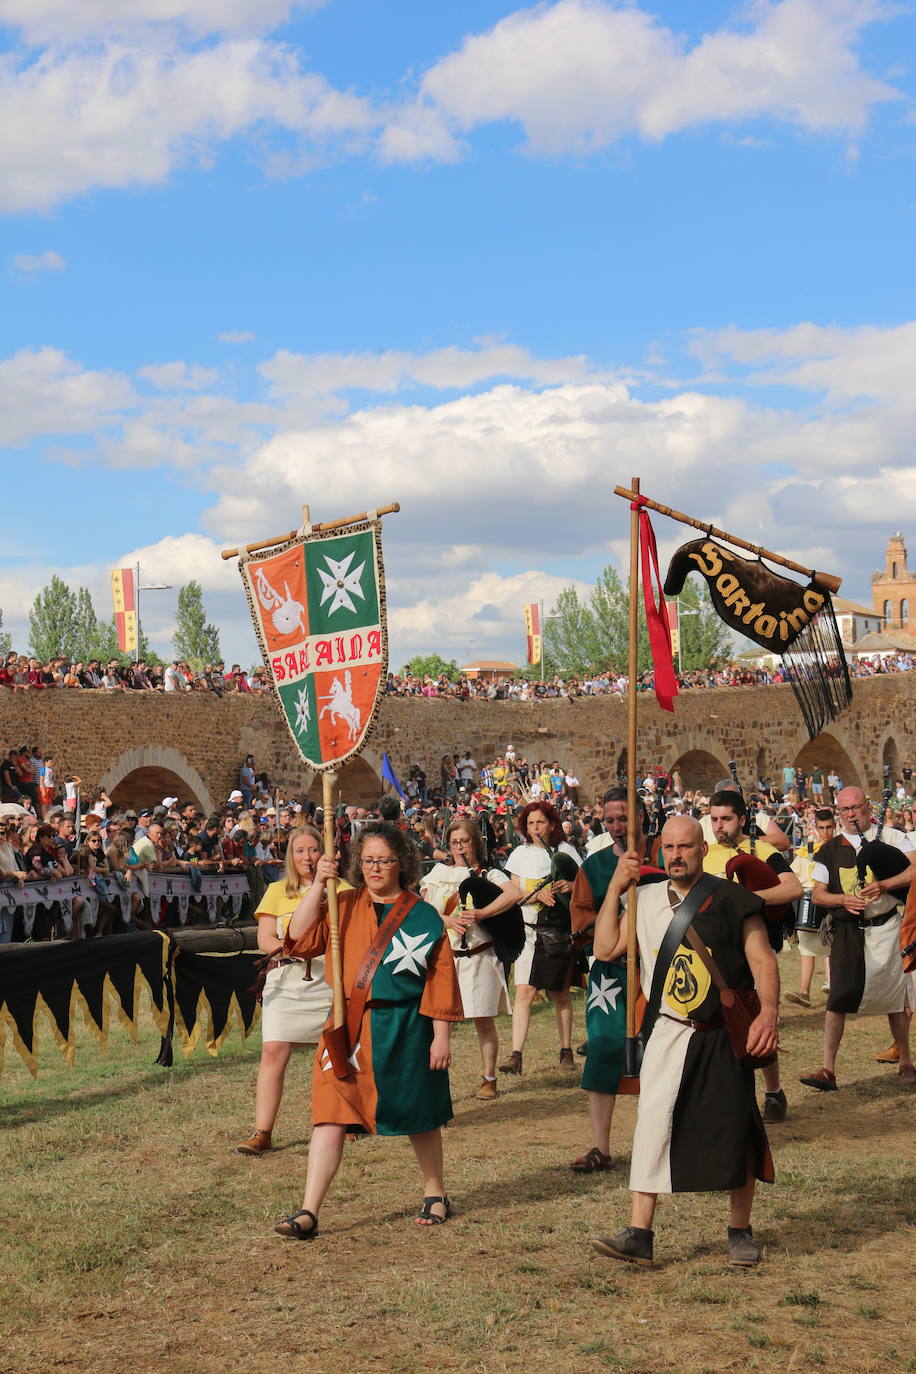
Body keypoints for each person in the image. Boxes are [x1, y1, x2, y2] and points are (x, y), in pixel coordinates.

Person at [592, 816, 778, 1267]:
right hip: (669, 1030)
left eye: (685, 847)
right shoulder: (643, 899)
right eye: (668, 848)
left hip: (720, 1033)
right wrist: (616, 889)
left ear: (701, 848)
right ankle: (639, 1234)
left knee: (735, 1128)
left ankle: (740, 1231)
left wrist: (769, 1013)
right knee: (652, 1124)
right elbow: (604, 949)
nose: (675, 855)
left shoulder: (734, 900)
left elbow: (762, 960)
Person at [274, 821, 462, 1239]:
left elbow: (440, 977)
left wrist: (441, 1036)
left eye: (384, 860)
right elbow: (297, 937)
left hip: (405, 1026)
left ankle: (436, 1193)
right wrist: (319, 885)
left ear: (402, 863)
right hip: (347, 1026)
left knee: (420, 1114)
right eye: (368, 860)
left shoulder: (423, 915)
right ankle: (309, 1210)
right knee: (329, 1116)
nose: (375, 868)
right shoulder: (342, 903)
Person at [568, 788, 664, 1172]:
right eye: (609, 820)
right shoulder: (592, 867)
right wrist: (617, 907)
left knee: (662, 1052)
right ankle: (601, 1146)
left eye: (623, 818)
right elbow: (581, 923)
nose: (616, 826)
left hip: (660, 965)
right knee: (605, 1049)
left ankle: (659, 1141)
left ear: (641, 816)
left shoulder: (662, 851)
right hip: (612, 972)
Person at [237, 825, 348, 1156]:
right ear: (290, 855)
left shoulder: (342, 890)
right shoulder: (276, 890)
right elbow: (265, 939)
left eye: (313, 850)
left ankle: (345, 1120)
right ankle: (262, 1131)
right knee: (273, 1052)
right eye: (300, 851)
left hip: (328, 982)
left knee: (335, 1054)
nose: (307, 857)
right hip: (285, 982)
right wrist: (294, 949)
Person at [800, 787, 916, 1089]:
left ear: (868, 807)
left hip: (887, 926)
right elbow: (819, 895)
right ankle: (828, 1069)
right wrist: (843, 901)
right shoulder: (829, 849)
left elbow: (915, 870)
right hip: (848, 930)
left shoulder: (892, 837)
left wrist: (885, 884)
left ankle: (905, 1060)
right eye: (845, 810)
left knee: (894, 997)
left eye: (856, 807)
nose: (851, 814)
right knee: (838, 998)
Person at [702, 789, 801, 1123]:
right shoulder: (703, 853)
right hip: (713, 951)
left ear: (742, 820)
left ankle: (773, 1091)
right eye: (714, 819)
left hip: (754, 945)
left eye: (726, 819)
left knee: (758, 1015)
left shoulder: (763, 849)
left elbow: (792, 888)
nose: (719, 826)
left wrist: (747, 898)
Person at [421, 818, 525, 1100]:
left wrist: (482, 913)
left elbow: (514, 894)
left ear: (475, 842)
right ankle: (433, 1085)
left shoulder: (488, 873)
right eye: (454, 842)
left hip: (479, 956)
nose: (458, 847)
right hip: (445, 957)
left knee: (483, 1020)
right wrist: (446, 922)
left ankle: (488, 1078)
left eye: (464, 841)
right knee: (440, 1024)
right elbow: (426, 911)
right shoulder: (438, 874)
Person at [500, 800, 582, 1074]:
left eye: (540, 822)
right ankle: (516, 1056)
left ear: (552, 824)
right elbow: (512, 893)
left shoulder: (566, 851)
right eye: (531, 823)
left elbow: (582, 886)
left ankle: (566, 1052)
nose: (535, 828)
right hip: (527, 930)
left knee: (559, 993)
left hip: (557, 930)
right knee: (524, 991)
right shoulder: (519, 855)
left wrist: (568, 886)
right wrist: (535, 895)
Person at [786, 809, 835, 1005]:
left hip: (830, 899)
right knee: (806, 947)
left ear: (834, 826)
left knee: (829, 943)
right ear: (815, 828)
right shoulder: (807, 851)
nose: (825, 832)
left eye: (829, 827)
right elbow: (792, 874)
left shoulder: (840, 848)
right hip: (808, 900)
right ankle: (804, 992)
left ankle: (832, 985)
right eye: (821, 827)